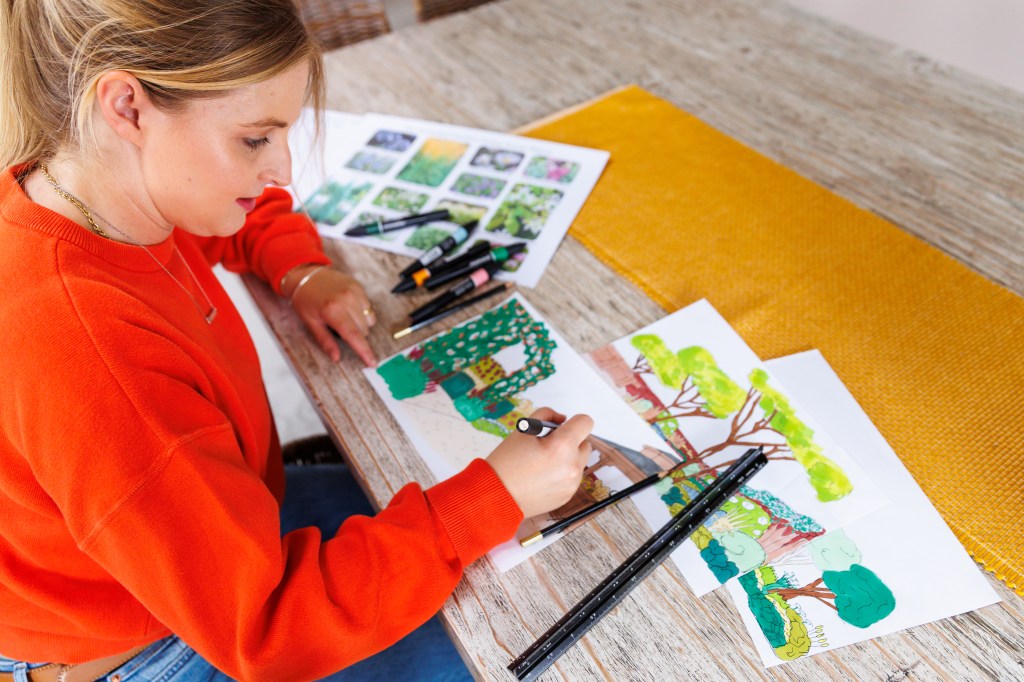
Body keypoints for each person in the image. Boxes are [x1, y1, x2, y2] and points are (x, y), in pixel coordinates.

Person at [0, 2, 594, 681]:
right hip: (168, 644)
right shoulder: (92, 357)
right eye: (255, 140)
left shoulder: (87, 186)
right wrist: (497, 496)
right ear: (127, 108)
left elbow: (233, 213)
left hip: (210, 549)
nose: (282, 168)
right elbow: (269, 632)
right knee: (546, 648)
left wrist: (300, 268)